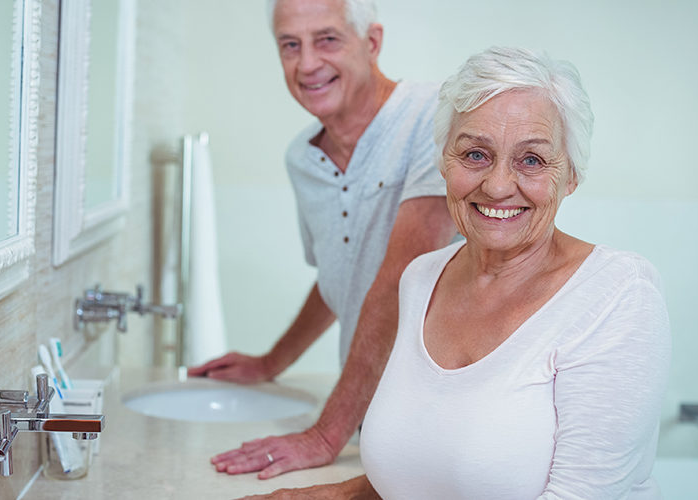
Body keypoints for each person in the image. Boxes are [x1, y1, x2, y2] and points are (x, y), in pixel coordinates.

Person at [246, 46, 672, 499]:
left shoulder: (619, 294)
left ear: (570, 176)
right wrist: (334, 495)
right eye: (475, 154)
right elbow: (428, 469)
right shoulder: (421, 280)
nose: (499, 185)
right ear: (443, 164)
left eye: (531, 160)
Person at [187, 0, 457, 479]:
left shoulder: (433, 117)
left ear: (371, 43)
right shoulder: (302, 160)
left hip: (447, 427)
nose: (307, 63)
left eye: (327, 39)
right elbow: (341, 276)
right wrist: (272, 361)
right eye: (290, 45)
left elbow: (400, 282)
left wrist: (324, 434)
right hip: (370, 426)